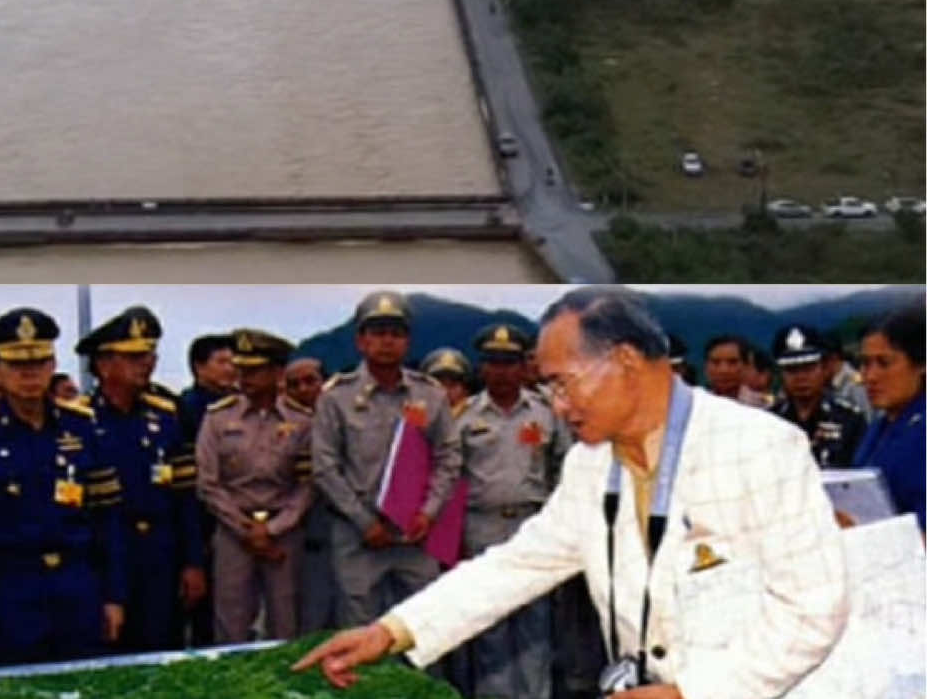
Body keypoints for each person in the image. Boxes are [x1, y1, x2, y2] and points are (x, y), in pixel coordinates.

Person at [296, 287, 850, 697]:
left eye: (562, 383)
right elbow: (516, 566)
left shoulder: (759, 446)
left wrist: (691, 692)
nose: (557, 406)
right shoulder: (592, 465)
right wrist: (391, 631)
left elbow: (814, 609)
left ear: (626, 362)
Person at [0, 307, 125, 667]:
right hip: (9, 587)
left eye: (38, 363)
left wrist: (114, 594)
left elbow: (107, 517)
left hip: (77, 584)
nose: (29, 375)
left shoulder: (83, 427)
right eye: (18, 365)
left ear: (53, 366)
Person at [311, 289, 461, 627]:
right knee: (359, 630)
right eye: (377, 333)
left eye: (396, 333)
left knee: (423, 629)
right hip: (358, 535)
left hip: (415, 535)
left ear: (408, 342)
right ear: (360, 341)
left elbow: (448, 457)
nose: (386, 342)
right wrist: (365, 523)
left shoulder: (430, 394)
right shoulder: (337, 396)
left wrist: (429, 511)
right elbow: (325, 467)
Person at [75, 305, 205, 652]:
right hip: (103, 558)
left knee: (164, 650)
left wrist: (193, 561)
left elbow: (186, 496)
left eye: (149, 354)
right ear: (103, 365)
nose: (146, 363)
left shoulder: (167, 415)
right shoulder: (79, 422)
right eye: (133, 356)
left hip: (161, 556)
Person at [454, 324, 562, 699]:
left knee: (536, 623)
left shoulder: (547, 413)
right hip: (481, 525)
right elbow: (451, 477)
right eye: (493, 362)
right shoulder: (464, 416)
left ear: (523, 367)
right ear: (481, 368)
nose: (501, 370)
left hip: (534, 524)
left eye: (509, 362)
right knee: (490, 623)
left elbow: (563, 468)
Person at [196, 328, 313, 642]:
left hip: (284, 533)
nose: (244, 377)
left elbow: (307, 485)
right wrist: (246, 529)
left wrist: (273, 530)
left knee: (285, 623)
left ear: (277, 372)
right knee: (230, 623)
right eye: (241, 368)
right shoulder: (218, 418)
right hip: (234, 531)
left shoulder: (302, 421)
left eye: (254, 370)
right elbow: (208, 482)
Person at [179, 333, 237, 646]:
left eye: (233, 361)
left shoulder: (238, 406)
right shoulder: (188, 409)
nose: (231, 368)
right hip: (201, 518)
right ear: (199, 367)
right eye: (222, 361)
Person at [854, 303, 925, 531]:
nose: (870, 376)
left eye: (884, 363)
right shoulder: (879, 427)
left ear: (921, 365)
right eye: (865, 364)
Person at [283, 355, 338, 633]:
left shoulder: (348, 419)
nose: (303, 390)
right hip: (299, 539)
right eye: (294, 385)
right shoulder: (280, 428)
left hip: (349, 536)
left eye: (310, 381)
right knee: (308, 623)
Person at [769, 325, 866, 471]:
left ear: (824, 369)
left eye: (808, 368)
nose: (801, 378)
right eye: (792, 370)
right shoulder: (770, 421)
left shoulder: (849, 420)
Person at [422, 348, 473, 416]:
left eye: (453, 385)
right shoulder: (413, 420)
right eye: (439, 385)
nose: (446, 391)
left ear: (466, 391)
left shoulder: (478, 420)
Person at [701, 335, 749, 401]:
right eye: (716, 362)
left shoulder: (762, 406)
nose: (724, 370)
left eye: (732, 362)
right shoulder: (694, 404)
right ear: (706, 367)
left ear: (745, 366)